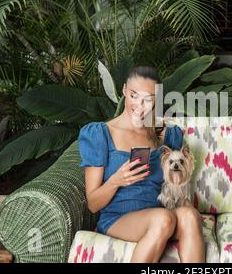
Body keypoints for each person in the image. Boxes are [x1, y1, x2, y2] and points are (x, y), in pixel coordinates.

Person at [78, 65, 205, 263]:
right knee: (164, 218)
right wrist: (116, 181)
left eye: (148, 99)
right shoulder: (100, 134)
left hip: (159, 216)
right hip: (119, 218)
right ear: (124, 91)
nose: (139, 104)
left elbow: (176, 171)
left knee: (189, 215)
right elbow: (93, 204)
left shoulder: (162, 135)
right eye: (134, 95)